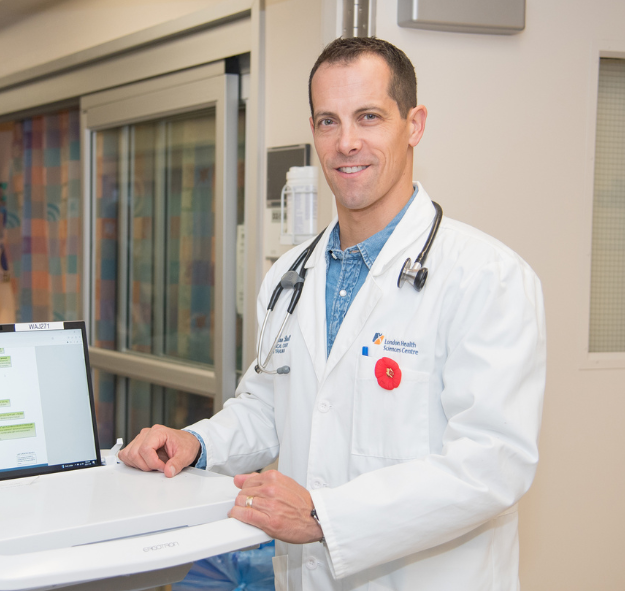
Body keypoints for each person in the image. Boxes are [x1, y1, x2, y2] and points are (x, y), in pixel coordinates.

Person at [118, 36, 546, 591]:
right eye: (327, 122)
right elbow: (268, 406)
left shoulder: (486, 277)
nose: (347, 142)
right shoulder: (289, 278)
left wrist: (324, 515)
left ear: (413, 124)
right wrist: (197, 444)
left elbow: (492, 465)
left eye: (368, 117)